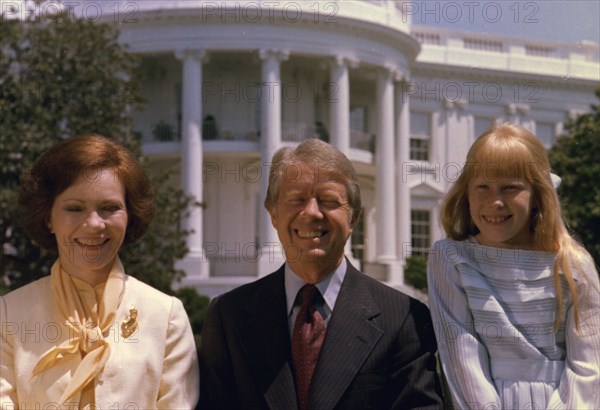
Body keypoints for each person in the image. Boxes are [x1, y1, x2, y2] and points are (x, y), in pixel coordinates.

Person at [199, 139, 444, 409]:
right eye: (296, 199)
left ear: (353, 218)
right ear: (273, 215)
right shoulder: (228, 316)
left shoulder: (404, 318)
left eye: (328, 201)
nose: (311, 213)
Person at [0, 135, 199, 408]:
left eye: (109, 208)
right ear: (48, 218)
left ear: (130, 216)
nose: (94, 224)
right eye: (74, 208)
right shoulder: (9, 315)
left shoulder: (166, 318)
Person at [427, 123, 600, 409]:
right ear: (467, 193)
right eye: (482, 186)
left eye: (510, 187)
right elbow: (461, 358)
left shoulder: (573, 265)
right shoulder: (452, 259)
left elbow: (589, 366)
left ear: (537, 195)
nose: (495, 201)